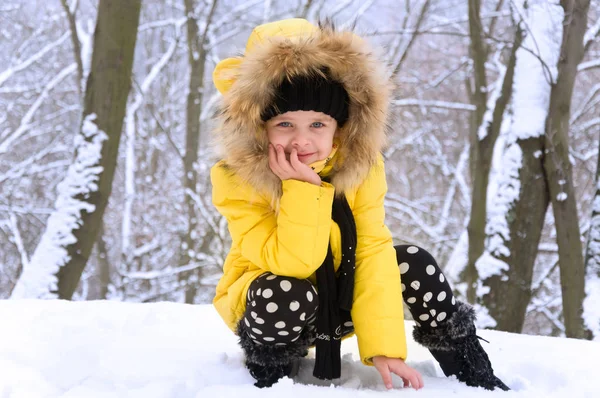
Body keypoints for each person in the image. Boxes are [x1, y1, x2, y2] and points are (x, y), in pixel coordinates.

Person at [209, 18, 509, 391]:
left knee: (411, 260)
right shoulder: (236, 179)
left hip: (340, 297)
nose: (302, 141)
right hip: (275, 305)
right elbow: (293, 263)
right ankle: (271, 376)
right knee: (285, 290)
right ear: (258, 126)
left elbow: (370, 249)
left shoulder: (359, 168)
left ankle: (473, 374)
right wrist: (303, 190)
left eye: (318, 124)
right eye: (285, 124)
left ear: (341, 125)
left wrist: (383, 346)